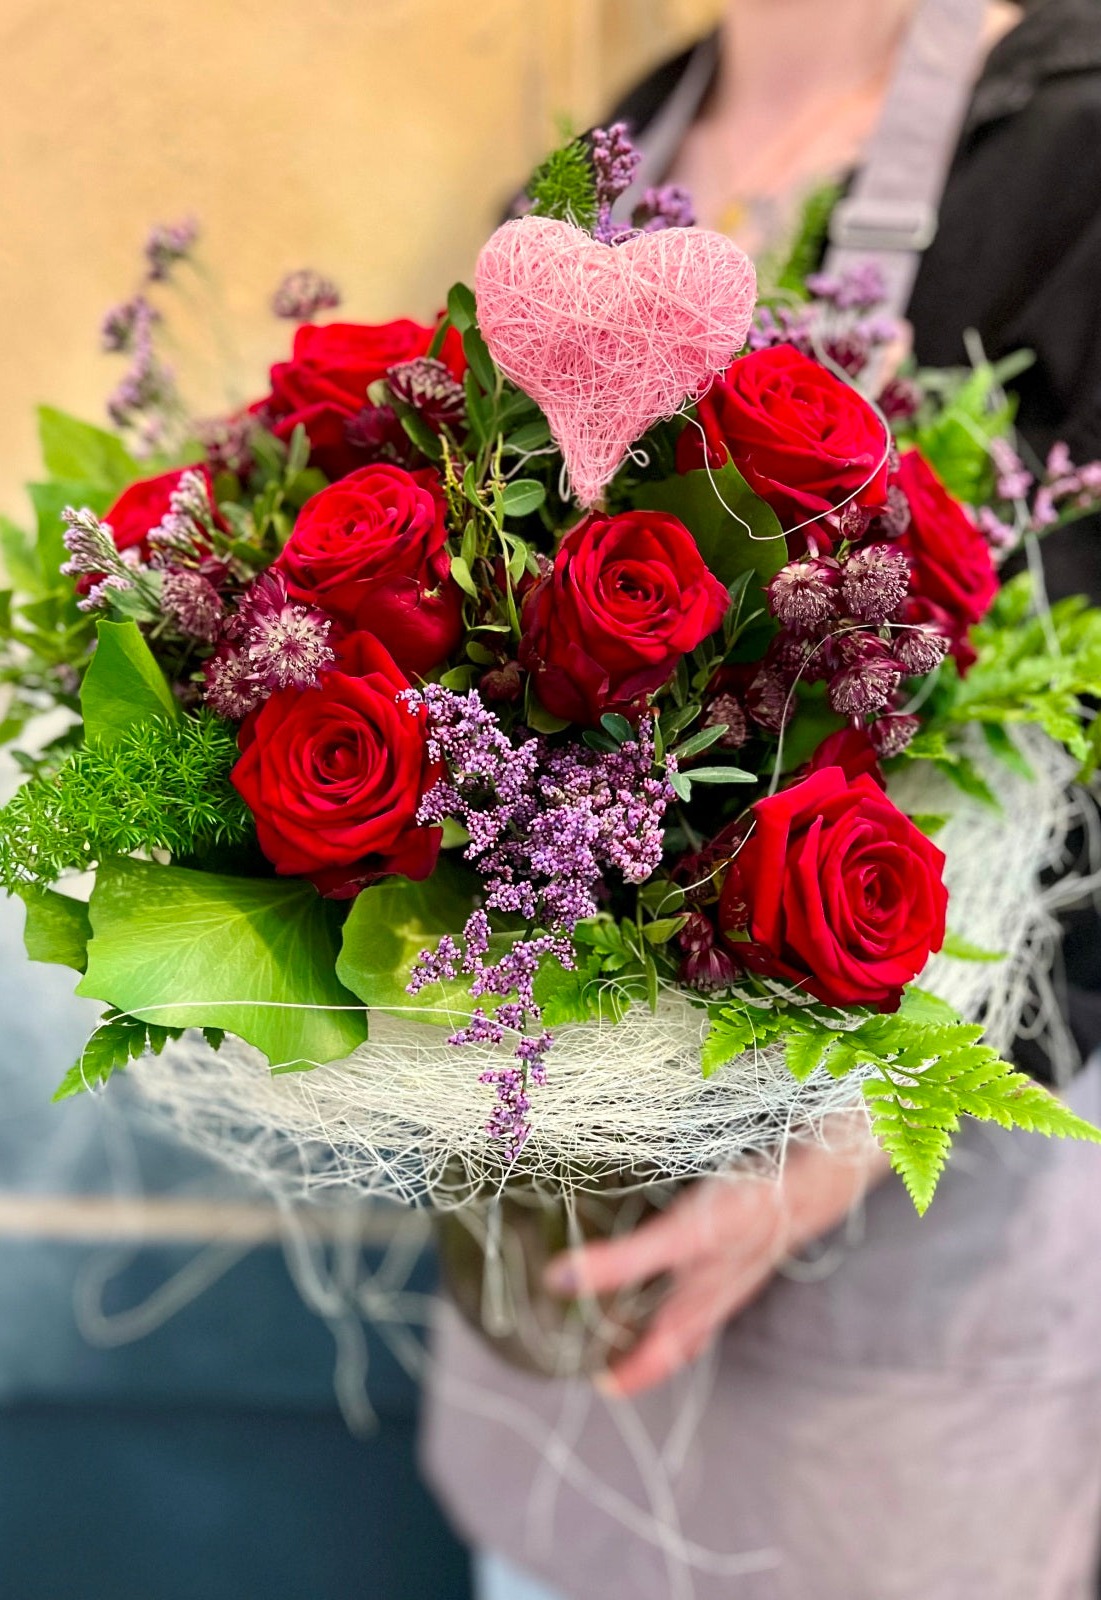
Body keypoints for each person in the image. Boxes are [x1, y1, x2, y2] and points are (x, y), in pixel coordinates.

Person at [422, 3, 1101, 1597]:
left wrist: (857, 1139)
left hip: (915, 1229)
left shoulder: (1073, 148)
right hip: (572, 1246)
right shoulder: (600, 167)